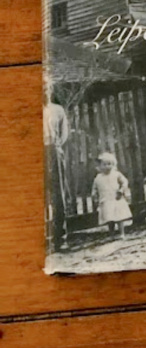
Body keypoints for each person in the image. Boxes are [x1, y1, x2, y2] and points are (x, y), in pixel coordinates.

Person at [43, 84, 70, 251]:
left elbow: (64, 132)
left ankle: (61, 237)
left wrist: (58, 146)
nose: (43, 90)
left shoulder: (57, 110)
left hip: (53, 150)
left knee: (58, 194)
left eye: (46, 87)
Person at [91, 151, 132, 238]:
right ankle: (112, 234)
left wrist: (121, 190)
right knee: (109, 218)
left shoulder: (116, 174)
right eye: (104, 164)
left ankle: (122, 233)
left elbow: (125, 182)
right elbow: (94, 188)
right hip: (105, 200)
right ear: (100, 166)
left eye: (109, 164)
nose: (107, 166)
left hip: (116, 199)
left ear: (113, 165)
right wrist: (94, 196)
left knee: (119, 217)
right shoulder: (98, 178)